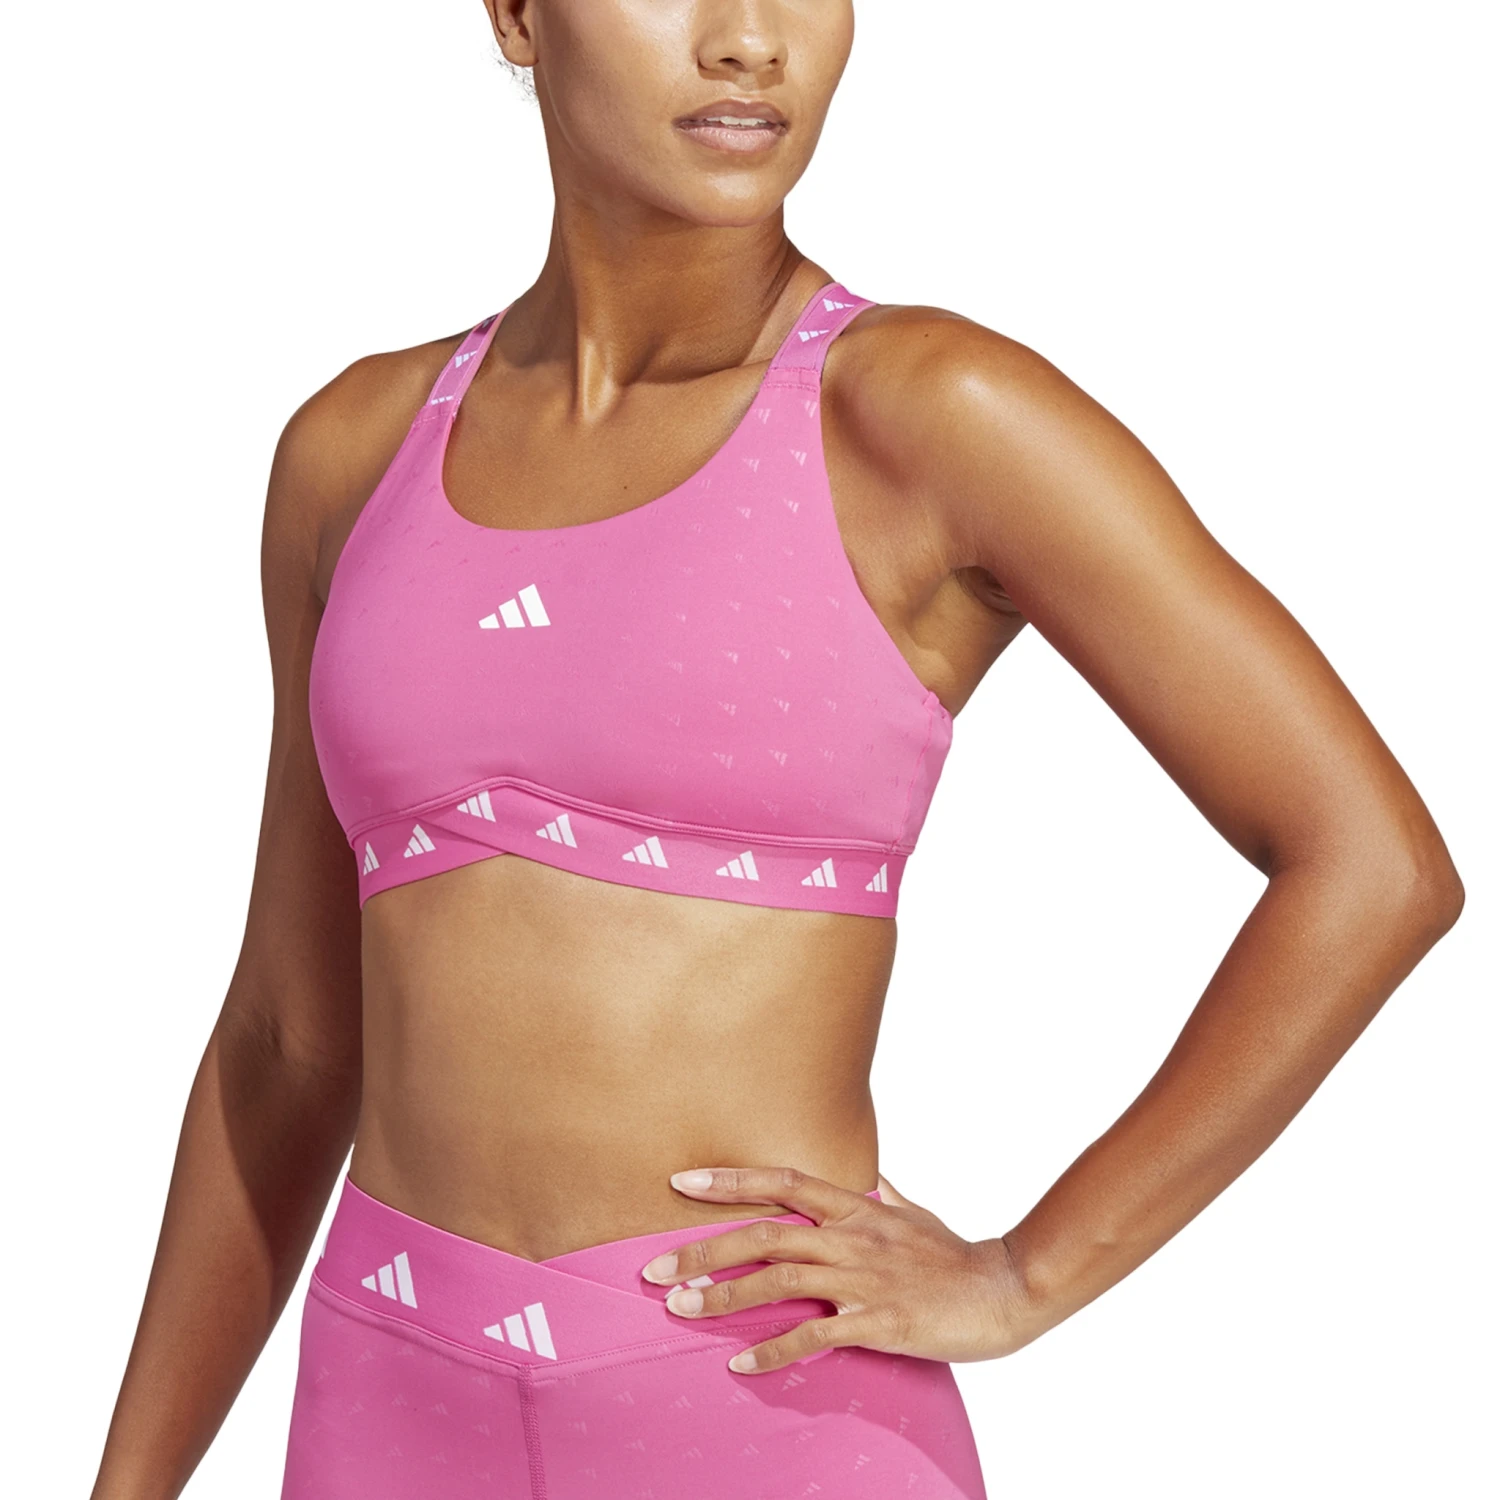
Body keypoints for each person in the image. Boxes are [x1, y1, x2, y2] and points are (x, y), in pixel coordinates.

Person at [89, 4, 1464, 1498]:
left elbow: (1371, 865)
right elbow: (290, 1041)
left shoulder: (925, 415)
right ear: (518, 15)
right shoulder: (353, 453)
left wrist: (1027, 1274)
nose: (752, 39)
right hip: (385, 1404)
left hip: (764, 1414)